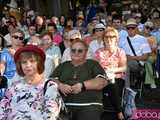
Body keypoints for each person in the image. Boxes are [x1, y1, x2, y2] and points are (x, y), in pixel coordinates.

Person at [50, 40, 108, 120]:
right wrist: (60, 85)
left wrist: (82, 85)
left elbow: (102, 82)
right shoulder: (63, 65)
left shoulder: (93, 64)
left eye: (80, 51)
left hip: (89, 106)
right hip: (65, 107)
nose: (76, 53)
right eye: (73, 50)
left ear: (86, 52)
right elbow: (51, 80)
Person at [0, 45, 62, 120]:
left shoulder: (50, 86)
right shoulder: (13, 87)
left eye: (32, 61)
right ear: (20, 65)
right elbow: (2, 112)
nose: (28, 65)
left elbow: (50, 116)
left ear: (39, 63)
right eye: (24, 62)